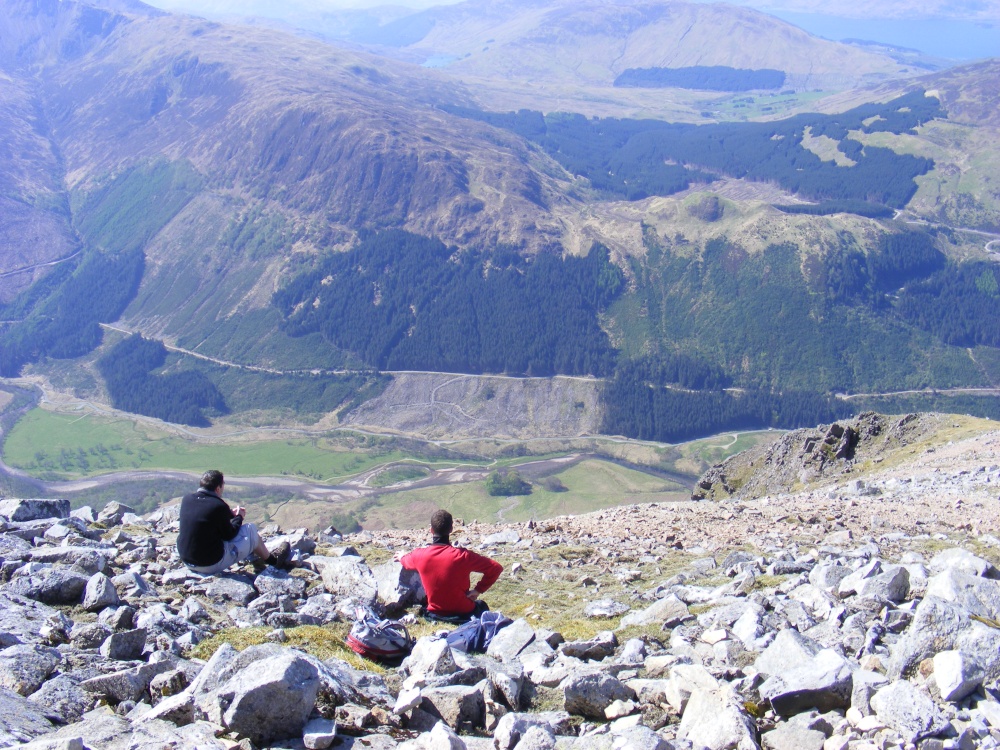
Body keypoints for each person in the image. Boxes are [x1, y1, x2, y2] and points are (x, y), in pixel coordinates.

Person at [176, 469, 291, 575]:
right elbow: (229, 535)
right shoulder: (218, 505)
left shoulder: (187, 499)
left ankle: (256, 559)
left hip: (187, 560)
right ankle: (273, 561)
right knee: (250, 529)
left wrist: (229, 514)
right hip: (209, 565)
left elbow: (206, 517)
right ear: (217, 488)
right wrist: (239, 517)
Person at [400, 509, 503, 621]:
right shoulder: (463, 556)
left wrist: (401, 556)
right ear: (451, 529)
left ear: (431, 530)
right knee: (481, 605)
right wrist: (478, 590)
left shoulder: (419, 555)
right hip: (464, 613)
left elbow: (405, 560)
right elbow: (496, 568)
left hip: (435, 614)